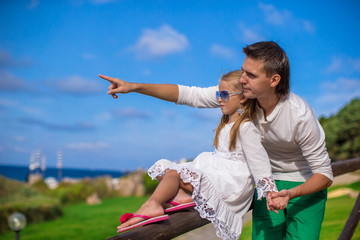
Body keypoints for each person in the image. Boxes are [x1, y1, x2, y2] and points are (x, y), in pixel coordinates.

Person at [99, 41, 334, 239]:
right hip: (267, 186)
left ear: (273, 80)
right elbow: (188, 94)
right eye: (243, 71)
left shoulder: (299, 114)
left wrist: (292, 193)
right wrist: (135, 86)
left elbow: (324, 174)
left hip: (304, 185)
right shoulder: (244, 97)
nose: (242, 79)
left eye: (250, 75)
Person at [113, 70, 278, 240]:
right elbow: (189, 95)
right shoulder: (227, 121)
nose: (219, 99)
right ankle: (180, 198)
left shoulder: (246, 127)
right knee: (168, 170)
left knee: (174, 174)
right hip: (217, 169)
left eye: (224, 94)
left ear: (243, 97)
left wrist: (270, 191)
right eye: (217, 94)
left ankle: (152, 204)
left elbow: (259, 161)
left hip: (231, 181)